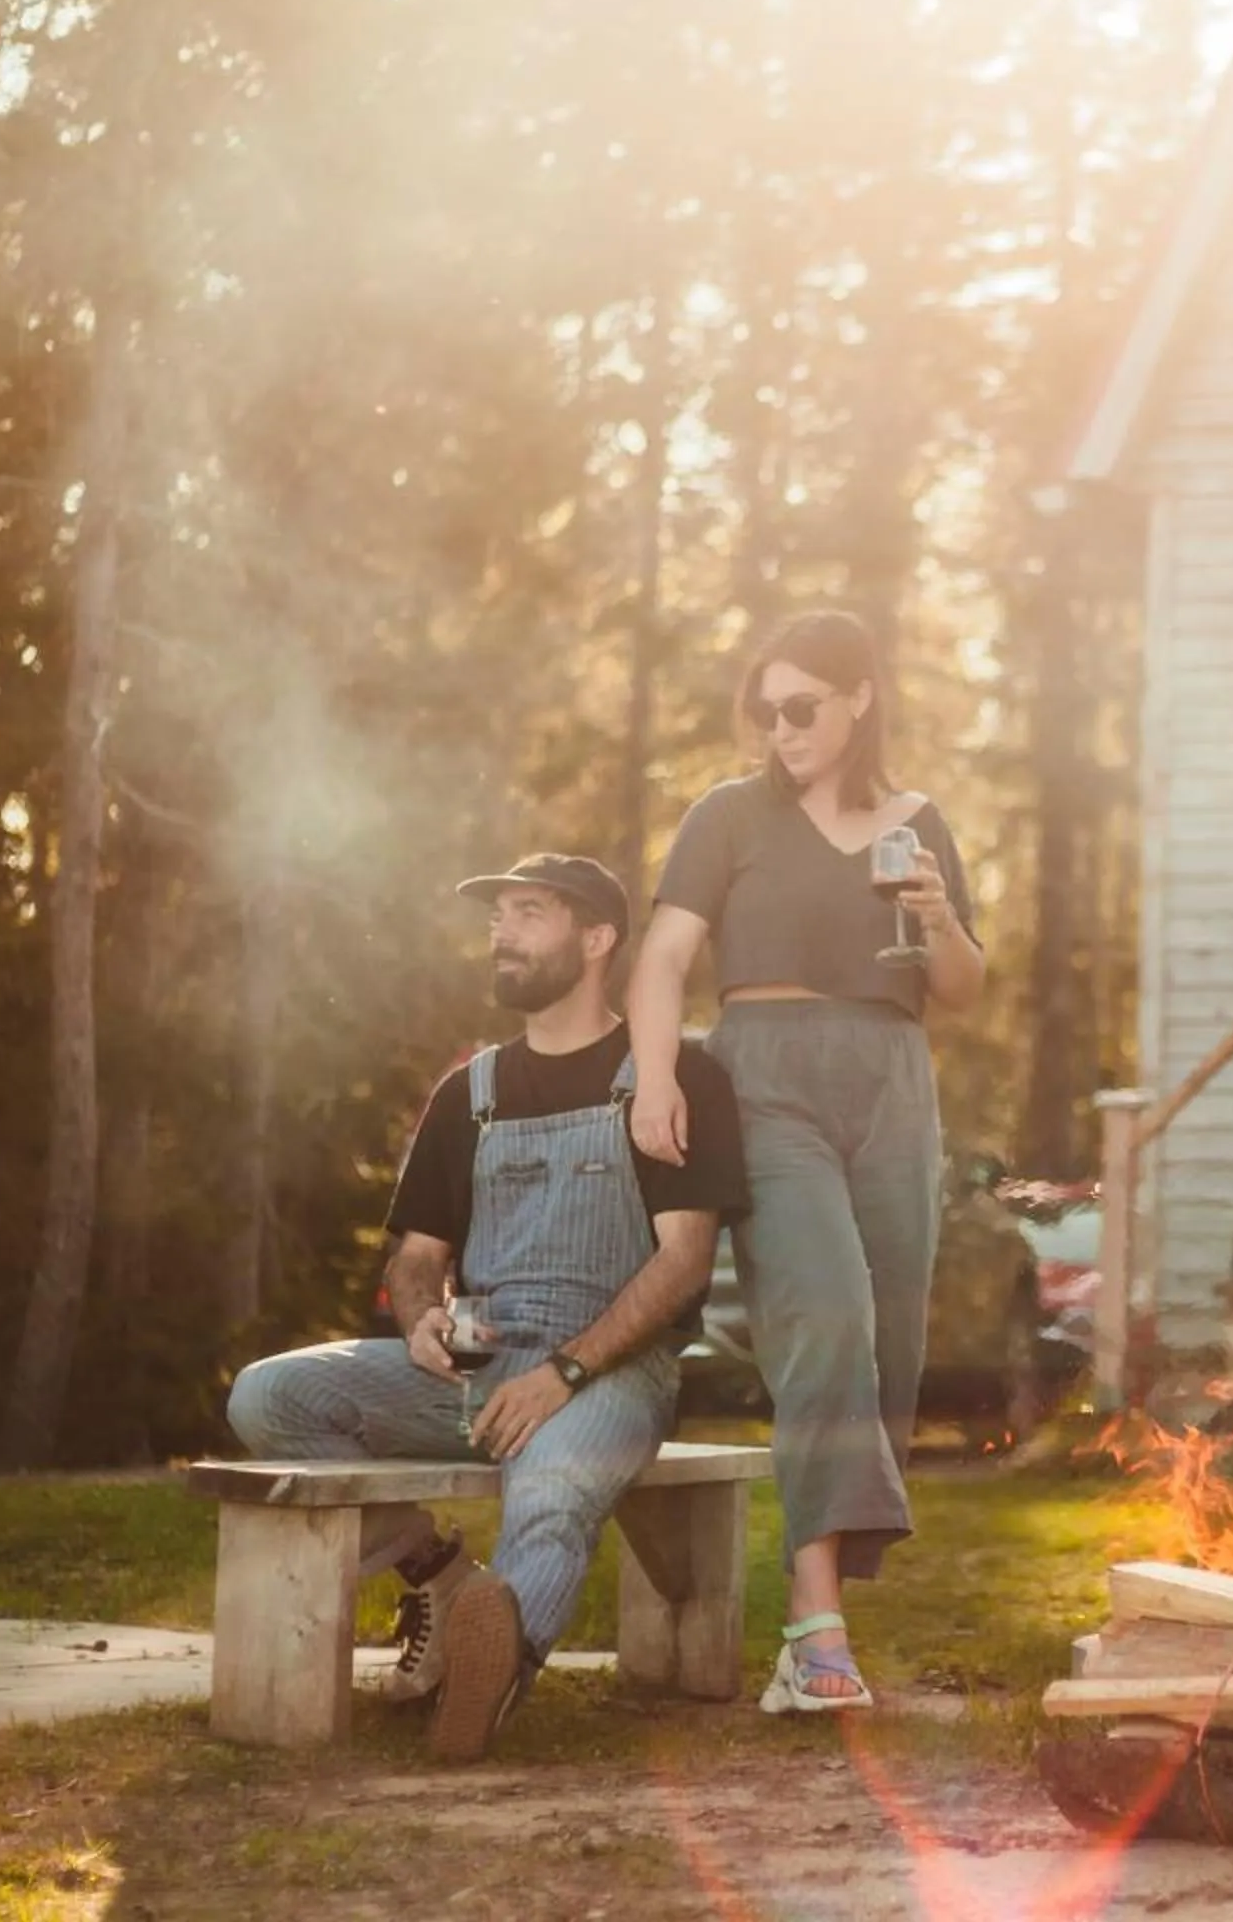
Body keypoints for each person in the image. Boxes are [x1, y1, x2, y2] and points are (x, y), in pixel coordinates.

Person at [225, 852, 749, 1761]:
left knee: (551, 1491)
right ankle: (441, 1573)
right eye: (497, 915)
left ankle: (494, 1667)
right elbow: (418, 1256)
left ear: (596, 940)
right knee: (267, 1398)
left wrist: (567, 1371)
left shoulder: (672, 1074)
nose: (500, 933)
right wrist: (422, 1317)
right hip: (479, 1370)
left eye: (529, 913)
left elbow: (684, 1261)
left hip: (613, 1373)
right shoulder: (467, 1095)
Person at [628, 608, 984, 1715]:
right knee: (821, 1315)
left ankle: (827, 1589)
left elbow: (964, 988)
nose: (779, 728)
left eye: (801, 707)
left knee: (889, 1337)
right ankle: (814, 1627)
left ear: (859, 698)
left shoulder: (918, 822)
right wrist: (656, 1076)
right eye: (766, 709)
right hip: (766, 1077)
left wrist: (936, 918)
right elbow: (664, 959)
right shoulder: (728, 815)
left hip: (891, 1080)